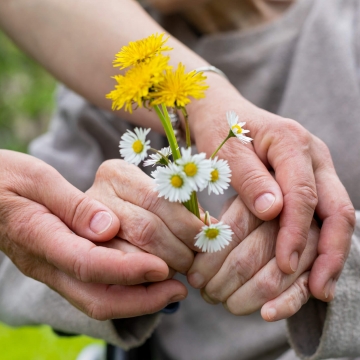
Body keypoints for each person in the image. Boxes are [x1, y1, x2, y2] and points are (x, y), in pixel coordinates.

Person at [0, 0, 359, 359]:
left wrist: (337, 258)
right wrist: (96, 243)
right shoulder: (103, 71)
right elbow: (12, 259)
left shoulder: (347, 24)